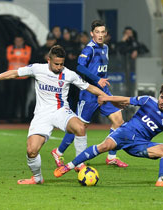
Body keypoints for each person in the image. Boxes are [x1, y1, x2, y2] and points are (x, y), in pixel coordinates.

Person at [0, 45, 108, 185]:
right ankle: (37, 178)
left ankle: (79, 164)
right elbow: (14, 73)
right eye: (56, 64)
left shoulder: (69, 74)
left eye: (61, 64)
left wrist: (107, 97)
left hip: (61, 111)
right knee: (31, 151)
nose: (59, 67)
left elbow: (89, 87)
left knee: (80, 127)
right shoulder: (37, 69)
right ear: (48, 60)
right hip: (42, 115)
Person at [54, 83, 163, 187]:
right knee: (103, 146)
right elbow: (127, 99)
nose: (162, 101)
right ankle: (67, 166)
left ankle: (162, 180)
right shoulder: (148, 100)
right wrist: (107, 98)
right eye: (162, 97)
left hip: (139, 145)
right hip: (124, 133)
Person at [51, 20, 128, 170]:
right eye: (97, 32)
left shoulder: (105, 47)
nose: (100, 35)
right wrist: (97, 79)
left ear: (105, 34)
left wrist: (101, 81)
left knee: (118, 121)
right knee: (80, 126)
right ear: (92, 34)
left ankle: (111, 157)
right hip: (89, 92)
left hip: (103, 91)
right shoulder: (89, 49)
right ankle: (58, 152)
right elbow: (79, 66)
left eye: (102, 32)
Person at [6, 35, 32, 122]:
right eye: (16, 41)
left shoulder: (28, 48)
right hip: (12, 76)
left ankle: (23, 117)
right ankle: (9, 117)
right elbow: (9, 58)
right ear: (14, 41)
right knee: (11, 98)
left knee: (23, 98)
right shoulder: (9, 48)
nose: (18, 42)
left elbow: (27, 58)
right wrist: (20, 57)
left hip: (23, 77)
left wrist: (16, 56)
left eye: (20, 41)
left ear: (23, 41)